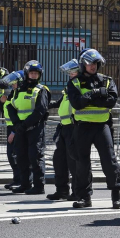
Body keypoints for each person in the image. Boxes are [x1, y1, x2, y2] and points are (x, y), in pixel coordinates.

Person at [66, 48, 120, 209]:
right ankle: (84, 197)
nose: (93, 66)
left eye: (95, 63)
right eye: (90, 63)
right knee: (82, 163)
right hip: (82, 127)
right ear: (83, 64)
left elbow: (111, 101)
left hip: (102, 126)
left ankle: (116, 195)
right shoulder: (74, 82)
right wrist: (96, 93)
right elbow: (77, 103)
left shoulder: (107, 80)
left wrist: (89, 99)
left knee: (109, 160)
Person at [8, 60, 51, 194]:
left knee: (35, 156)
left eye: (36, 73)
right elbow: (11, 106)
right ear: (26, 74)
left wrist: (24, 125)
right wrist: (17, 124)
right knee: (21, 156)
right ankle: (25, 184)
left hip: (35, 128)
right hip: (21, 128)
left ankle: (39, 186)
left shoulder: (41, 90)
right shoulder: (18, 89)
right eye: (31, 73)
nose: (33, 75)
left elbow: (40, 110)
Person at [46, 59, 81, 201]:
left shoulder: (80, 85)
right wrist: (45, 106)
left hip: (75, 128)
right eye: (69, 72)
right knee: (59, 160)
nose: (70, 74)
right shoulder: (70, 86)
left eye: (72, 71)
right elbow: (60, 102)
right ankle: (62, 191)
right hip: (64, 127)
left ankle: (78, 192)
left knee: (74, 162)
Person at [0, 70, 24, 190]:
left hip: (16, 129)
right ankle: (17, 179)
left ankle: (21, 180)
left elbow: (20, 115)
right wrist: (1, 102)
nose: (12, 85)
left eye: (14, 83)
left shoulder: (20, 95)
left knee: (16, 155)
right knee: (11, 156)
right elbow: (5, 110)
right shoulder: (12, 94)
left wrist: (14, 132)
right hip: (10, 127)